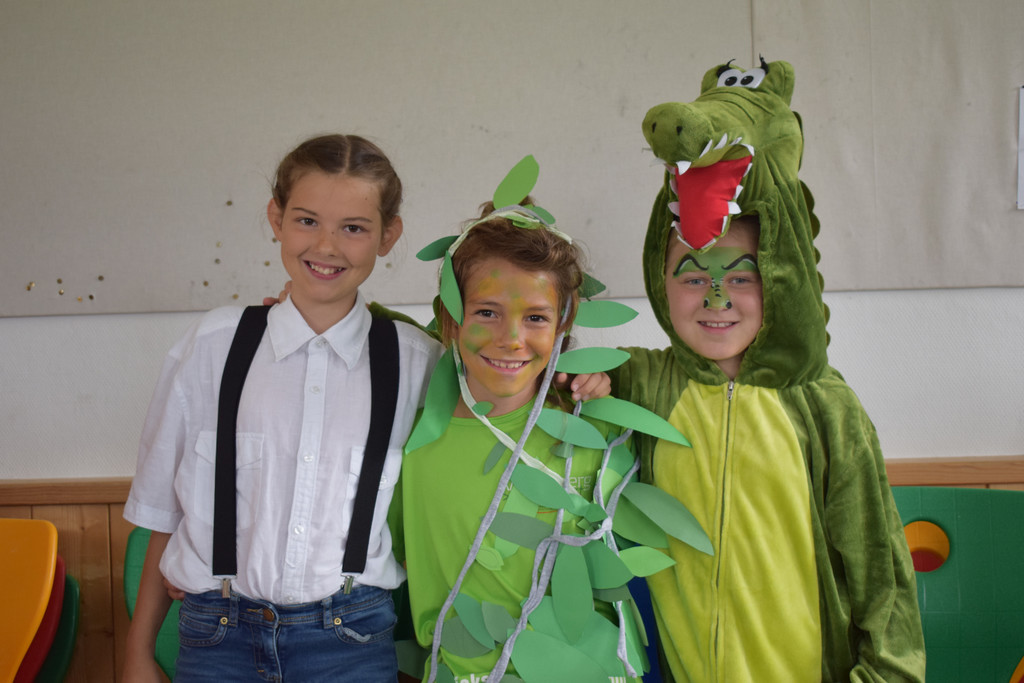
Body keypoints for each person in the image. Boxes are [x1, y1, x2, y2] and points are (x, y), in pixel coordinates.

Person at [609, 59, 925, 681]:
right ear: (659, 282)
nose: (716, 299)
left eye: (741, 278)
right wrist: (584, 385)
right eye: (692, 277)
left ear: (781, 279)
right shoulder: (642, 383)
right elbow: (526, 363)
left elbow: (881, 576)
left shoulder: (826, 407)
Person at [122, 134, 443, 682]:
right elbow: (161, 513)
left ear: (388, 235)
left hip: (351, 641)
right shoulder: (213, 346)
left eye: (354, 228)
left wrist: (580, 379)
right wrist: (136, 654)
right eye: (307, 220)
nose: (326, 246)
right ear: (276, 218)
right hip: (217, 638)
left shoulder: (419, 364)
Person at [391, 167, 704, 683]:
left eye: (535, 317)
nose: (511, 338)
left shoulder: (597, 433)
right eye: (487, 312)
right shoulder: (412, 442)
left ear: (563, 323)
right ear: (451, 317)